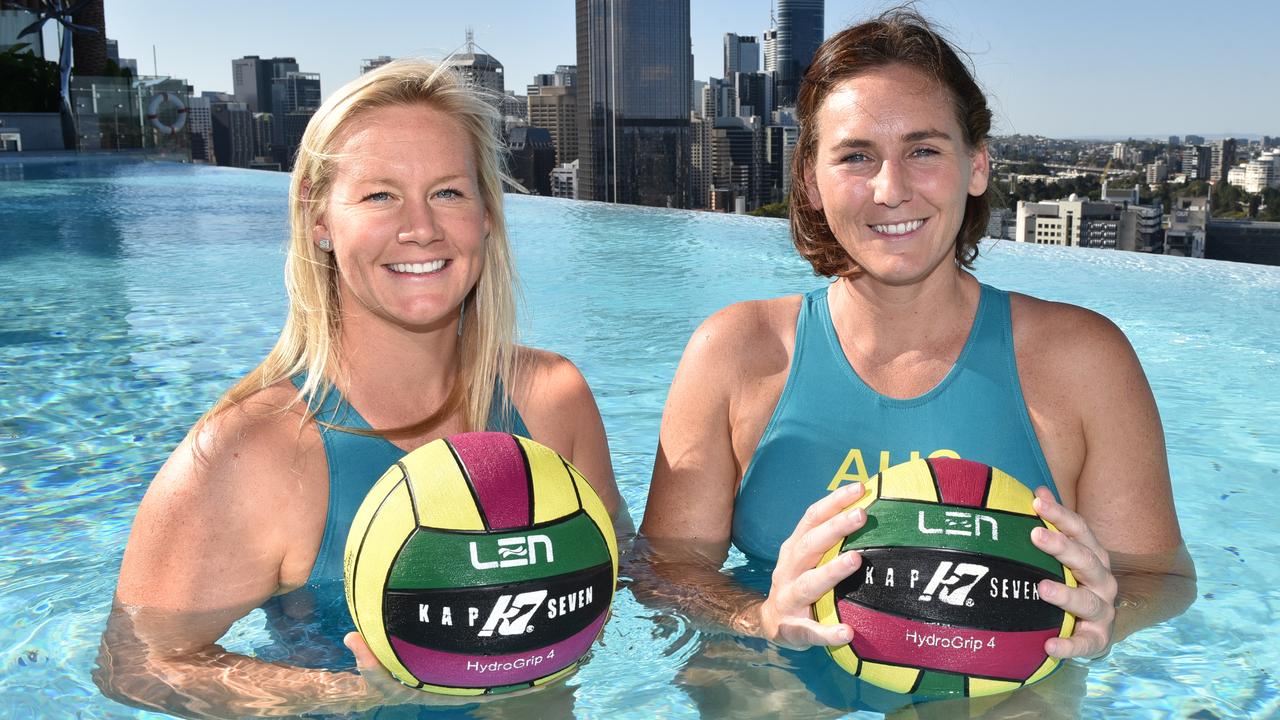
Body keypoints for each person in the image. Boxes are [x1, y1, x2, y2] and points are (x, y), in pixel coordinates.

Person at [638, 8, 1194, 709]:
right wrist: (758, 618)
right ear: (810, 178)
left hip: (1002, 697)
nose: (890, 188)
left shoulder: (1082, 360)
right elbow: (664, 571)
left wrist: (1105, 616)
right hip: (776, 690)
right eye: (856, 155)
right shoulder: (737, 352)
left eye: (924, 150)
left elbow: (1164, 579)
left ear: (977, 165)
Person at [95, 59, 627, 717]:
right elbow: (135, 665)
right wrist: (351, 693)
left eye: (449, 192)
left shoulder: (552, 400)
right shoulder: (252, 452)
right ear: (319, 216)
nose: (421, 228)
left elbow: (622, 572)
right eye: (380, 195)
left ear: (487, 215)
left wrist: (746, 616)